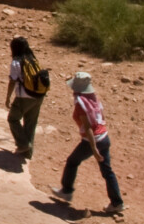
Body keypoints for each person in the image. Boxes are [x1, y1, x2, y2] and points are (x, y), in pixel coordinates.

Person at [50, 72, 126, 214]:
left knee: (72, 161)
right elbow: (101, 117)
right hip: (104, 138)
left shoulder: (81, 104)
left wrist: (93, 148)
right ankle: (117, 203)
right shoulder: (93, 98)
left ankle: (66, 191)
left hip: (92, 141)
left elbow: (88, 128)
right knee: (107, 171)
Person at [5, 36, 44, 159]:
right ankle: (27, 152)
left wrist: (8, 97)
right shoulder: (33, 59)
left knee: (13, 119)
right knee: (30, 123)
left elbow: (12, 81)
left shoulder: (17, 62)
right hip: (38, 96)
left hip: (24, 97)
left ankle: (23, 144)